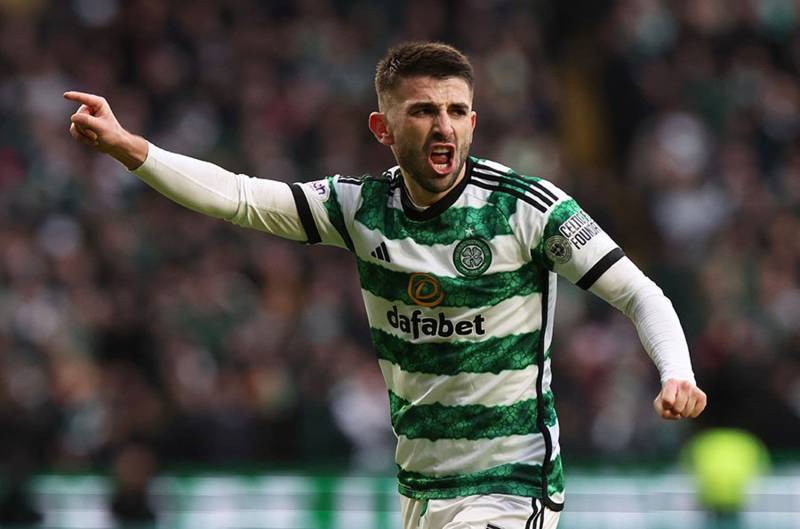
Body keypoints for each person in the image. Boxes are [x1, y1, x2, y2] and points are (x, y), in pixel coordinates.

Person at [65, 41, 706, 529]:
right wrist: (129, 148)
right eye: (423, 110)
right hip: (420, 488)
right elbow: (240, 197)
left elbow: (639, 292)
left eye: (456, 111)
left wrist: (676, 371)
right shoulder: (359, 208)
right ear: (383, 128)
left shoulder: (526, 208)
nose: (443, 127)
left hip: (512, 486)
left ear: (473, 124)